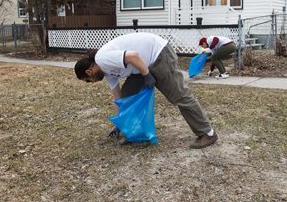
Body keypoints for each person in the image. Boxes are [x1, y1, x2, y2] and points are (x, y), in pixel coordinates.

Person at [74, 32, 217, 149]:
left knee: (179, 95)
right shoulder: (107, 72)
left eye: (88, 80)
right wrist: (119, 123)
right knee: (128, 96)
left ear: (89, 72)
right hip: (141, 67)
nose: (91, 83)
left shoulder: (103, 59)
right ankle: (138, 136)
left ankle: (207, 133)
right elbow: (120, 100)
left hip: (158, 55)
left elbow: (133, 56)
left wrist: (147, 75)